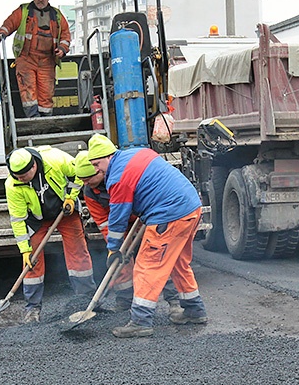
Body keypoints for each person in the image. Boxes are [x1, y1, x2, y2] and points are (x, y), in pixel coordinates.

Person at [86, 134, 208, 338]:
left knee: (147, 266)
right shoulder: (138, 153)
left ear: (109, 156)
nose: (96, 169)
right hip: (191, 208)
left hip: (168, 215)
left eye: (97, 164)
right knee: (178, 262)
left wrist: (114, 248)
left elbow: (118, 217)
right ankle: (194, 310)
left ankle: (140, 321)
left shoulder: (117, 176)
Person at [73, 150, 182, 314]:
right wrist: (114, 247)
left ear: (99, 171)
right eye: (83, 181)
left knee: (157, 257)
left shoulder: (120, 178)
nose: (86, 184)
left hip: (144, 216)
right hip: (118, 227)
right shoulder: (90, 193)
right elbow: (104, 222)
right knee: (121, 263)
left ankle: (174, 301)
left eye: (88, 179)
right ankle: (125, 300)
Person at [6, 146, 96, 322]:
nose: (20, 179)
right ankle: (32, 309)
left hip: (65, 211)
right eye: (17, 176)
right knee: (32, 261)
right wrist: (25, 250)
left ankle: (87, 299)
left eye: (23, 176)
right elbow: (17, 220)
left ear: (33, 167)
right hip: (37, 219)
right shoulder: (13, 185)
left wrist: (71, 197)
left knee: (78, 252)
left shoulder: (56, 160)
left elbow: (79, 174)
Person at [0, 0, 70, 118]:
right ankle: (33, 119)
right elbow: (10, 23)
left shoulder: (57, 15)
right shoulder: (23, 11)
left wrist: (62, 48)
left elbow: (65, 34)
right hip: (26, 59)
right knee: (28, 90)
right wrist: (2, 33)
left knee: (46, 92)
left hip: (47, 60)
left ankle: (46, 122)